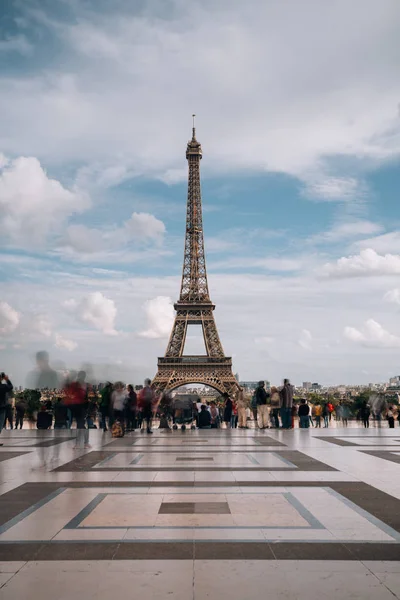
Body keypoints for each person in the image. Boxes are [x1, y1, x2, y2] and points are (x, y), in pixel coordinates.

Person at [64, 371, 90, 449]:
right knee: (80, 425)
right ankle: (84, 443)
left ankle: (81, 443)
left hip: (79, 407)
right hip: (77, 406)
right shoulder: (78, 385)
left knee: (80, 425)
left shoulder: (83, 385)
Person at [0, 374, 13, 445]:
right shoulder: (3, 387)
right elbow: (10, 387)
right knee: (0, 424)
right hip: (1, 408)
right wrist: (7, 379)